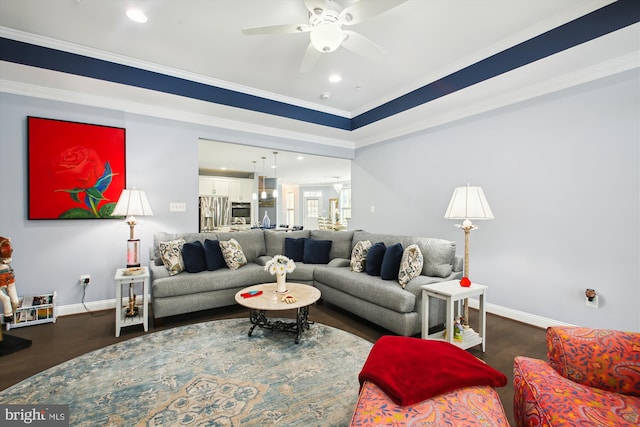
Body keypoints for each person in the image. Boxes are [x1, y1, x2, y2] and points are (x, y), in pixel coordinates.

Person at [0, 236, 20, 322]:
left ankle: (15, 314)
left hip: (8, 280)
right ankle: (8, 316)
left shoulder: (7, 267)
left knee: (15, 301)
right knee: (6, 299)